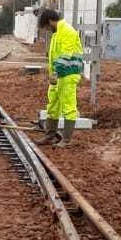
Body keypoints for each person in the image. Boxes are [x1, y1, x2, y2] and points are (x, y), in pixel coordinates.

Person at [37, 8, 83, 147]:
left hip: (68, 74)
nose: (46, 29)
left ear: (50, 22)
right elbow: (54, 57)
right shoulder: (57, 34)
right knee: (53, 105)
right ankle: (50, 135)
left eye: (45, 26)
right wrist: (53, 74)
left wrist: (55, 73)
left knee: (69, 106)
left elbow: (65, 56)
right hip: (57, 76)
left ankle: (67, 139)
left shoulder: (68, 32)